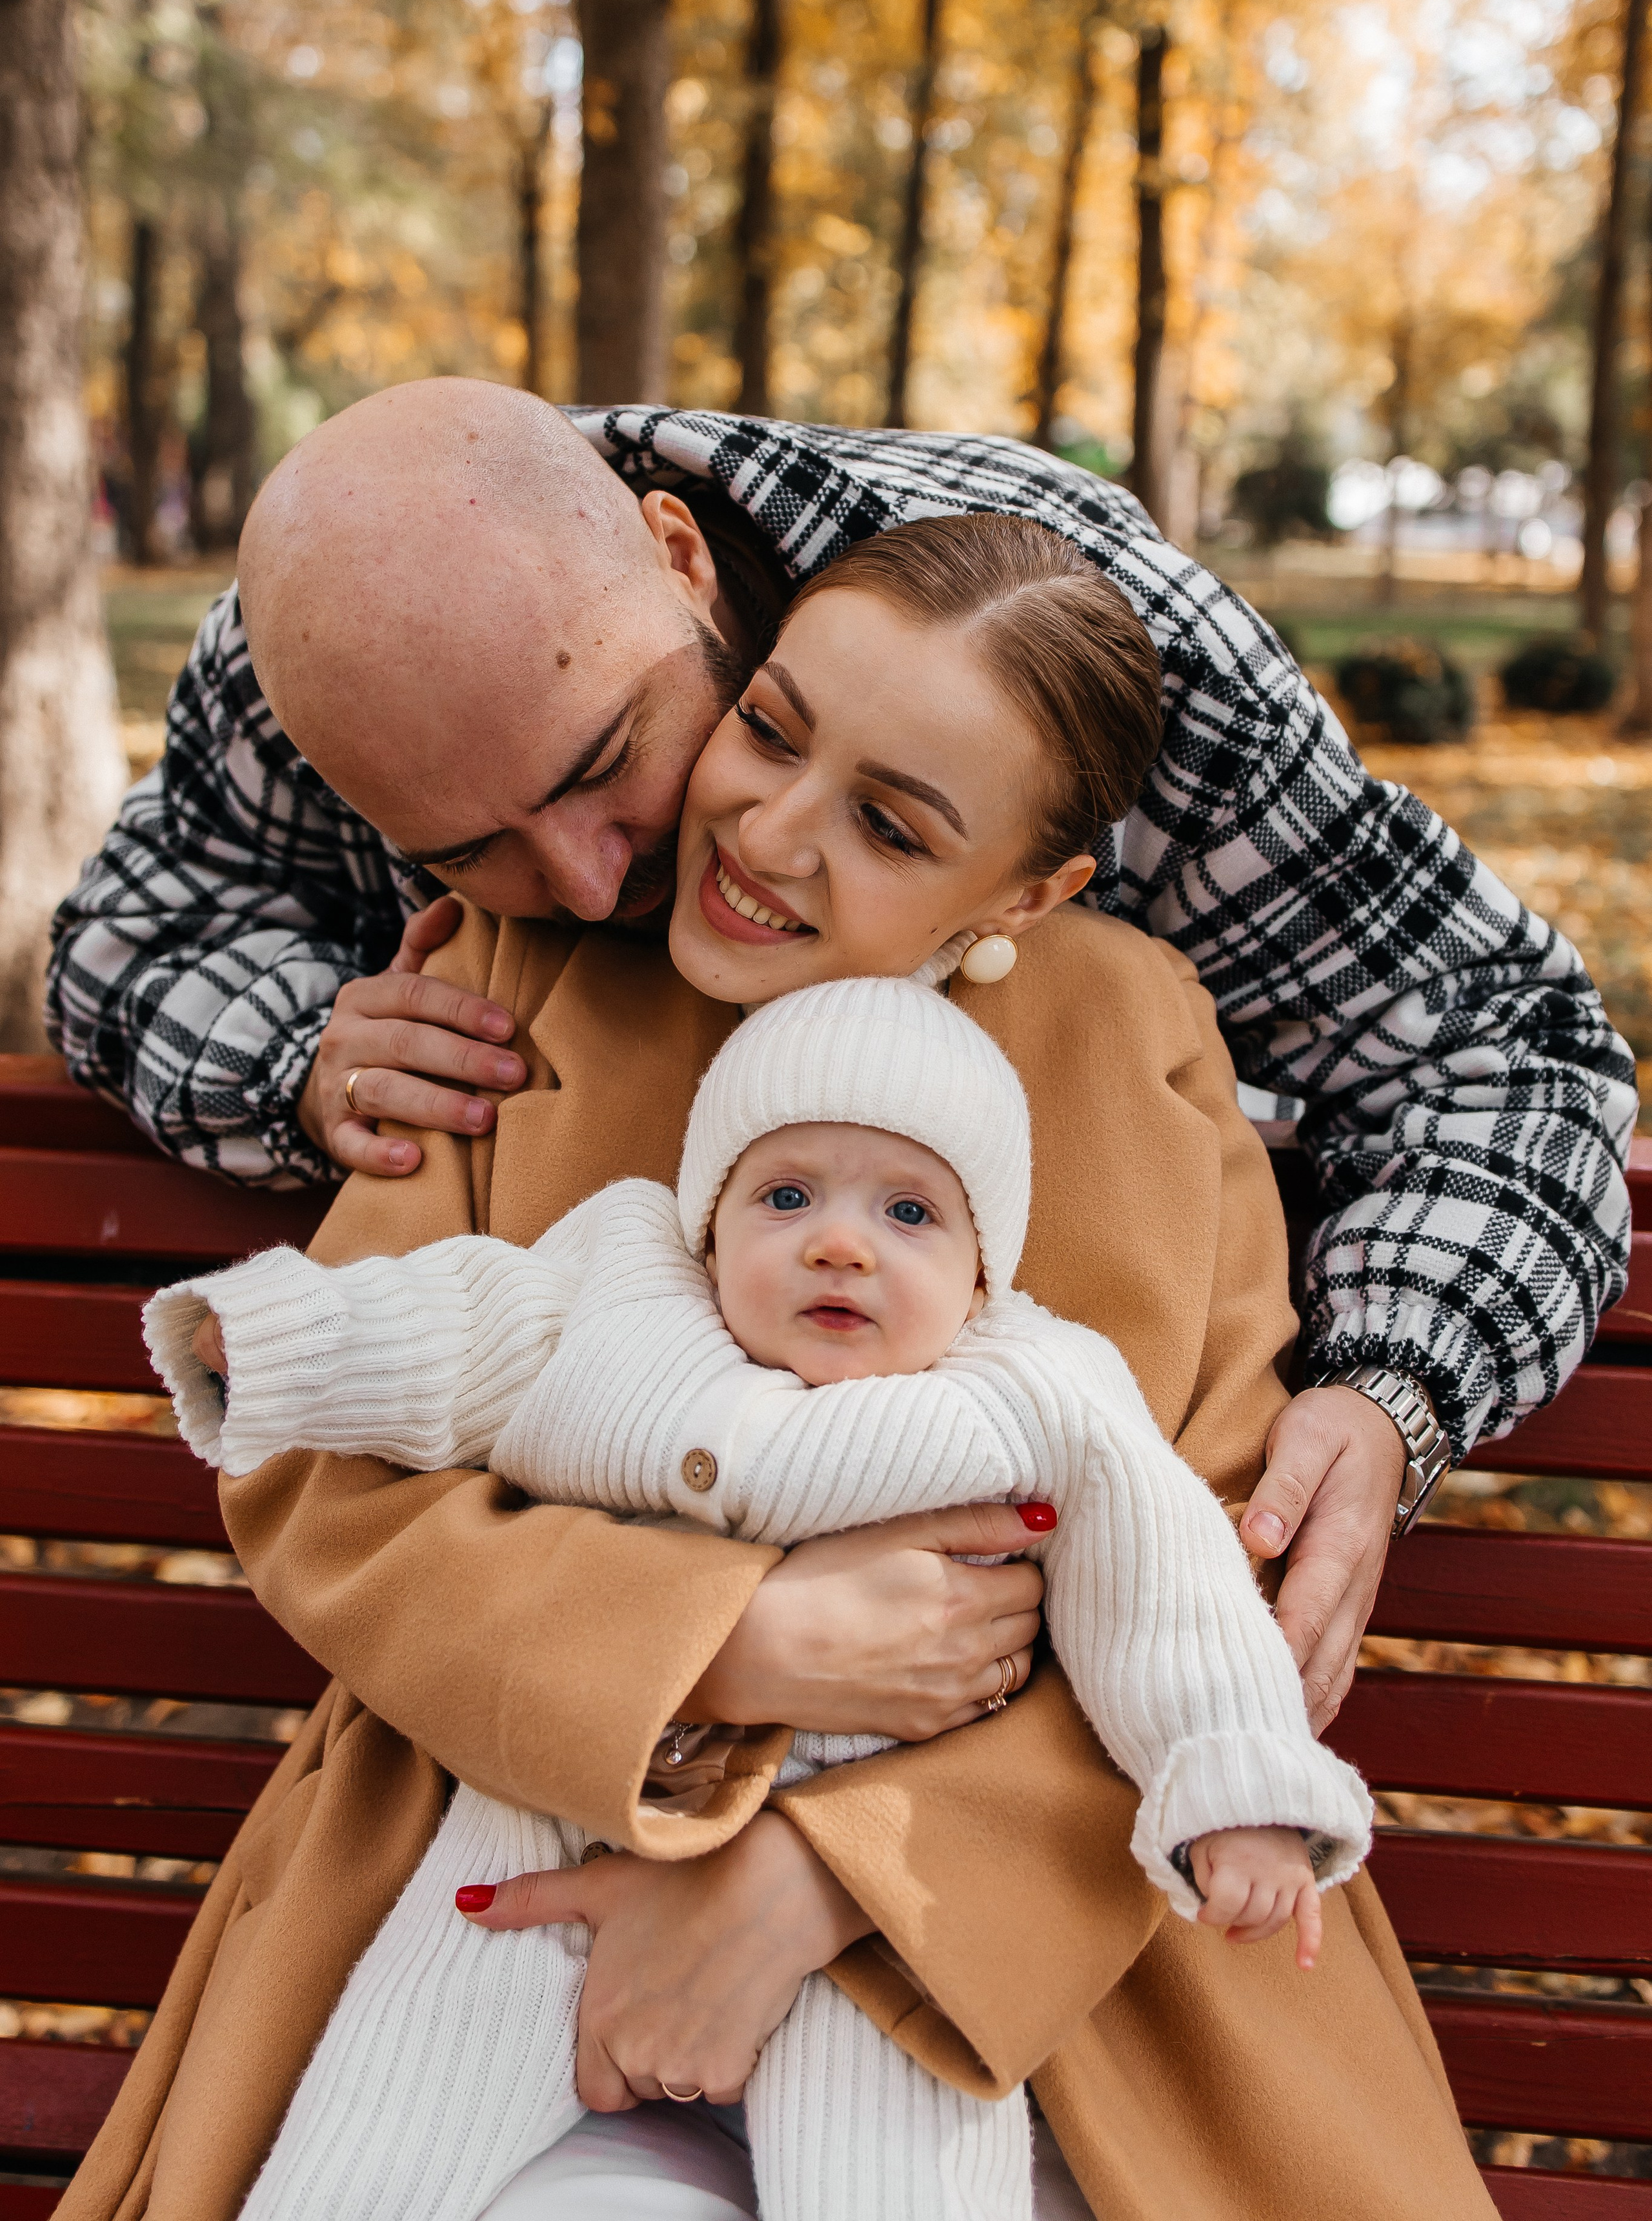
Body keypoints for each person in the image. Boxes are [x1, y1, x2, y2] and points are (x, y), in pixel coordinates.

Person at [60, 515, 1498, 2221]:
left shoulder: (1132, 1041)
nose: (770, 832)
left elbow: (1203, 1569)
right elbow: (332, 1484)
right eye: (768, 727)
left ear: (1026, 893)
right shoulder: (516, 971)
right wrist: (714, 1647)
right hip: (521, 1863)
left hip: (1044, 1964)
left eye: (895, 824)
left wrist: (825, 1879)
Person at [46, 383, 1636, 1747]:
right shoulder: (311, 650)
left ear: (678, 557)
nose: (597, 887)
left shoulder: (1104, 658)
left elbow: (1508, 1046)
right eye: (466, 850)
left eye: (608, 763)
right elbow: (124, 938)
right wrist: (300, 1050)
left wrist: (1389, 1388)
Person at [146, 1009, 1369, 2214]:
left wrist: (1238, 1790)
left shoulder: (1040, 1384)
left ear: (983, 1269)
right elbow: (452, 1323)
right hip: (562, 1814)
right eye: (786, 1197)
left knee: (896, 2169)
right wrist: (277, 1341)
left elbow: (1173, 1596)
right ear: (709, 1222)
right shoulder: (621, 1295)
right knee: (392, 2107)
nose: (841, 1244)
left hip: (878, 1889)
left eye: (909, 1211)